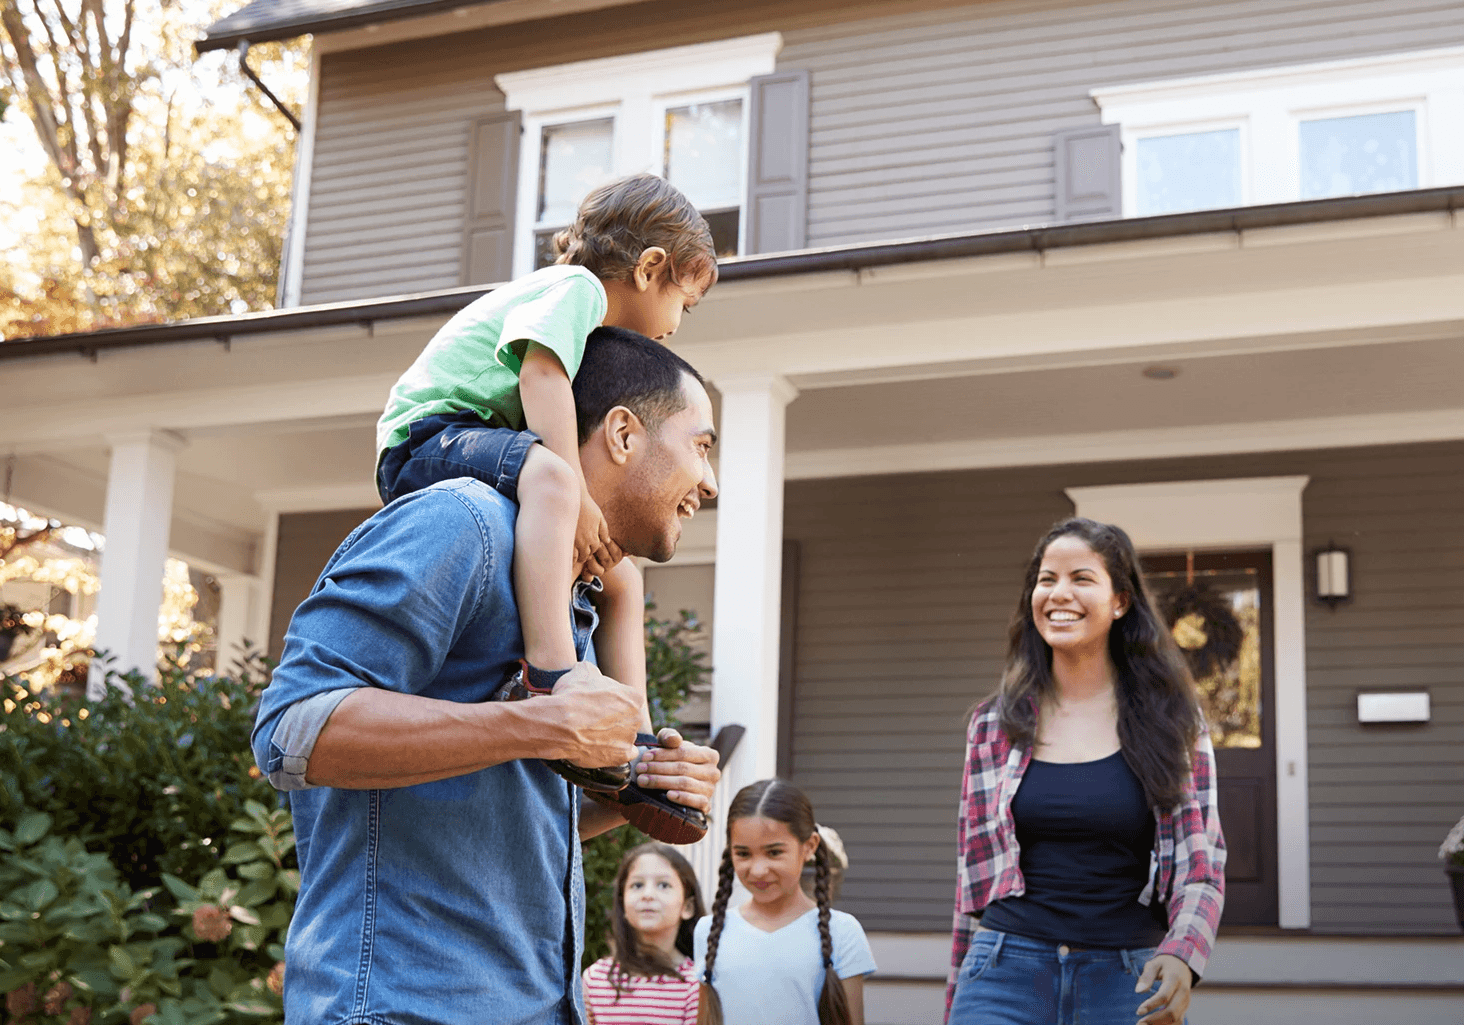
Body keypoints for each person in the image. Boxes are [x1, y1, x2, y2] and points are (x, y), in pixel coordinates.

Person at [252, 327, 722, 1025]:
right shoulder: (459, 524)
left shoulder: (573, 610)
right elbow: (291, 730)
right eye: (701, 445)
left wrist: (634, 793)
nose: (710, 482)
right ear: (623, 434)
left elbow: (513, 800)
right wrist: (540, 722)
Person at [376, 173, 717, 719]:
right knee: (553, 478)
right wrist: (577, 494)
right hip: (428, 434)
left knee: (621, 575)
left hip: (473, 437)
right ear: (650, 268)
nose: (676, 325)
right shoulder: (576, 290)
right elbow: (540, 377)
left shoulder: (575, 310)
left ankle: (637, 732)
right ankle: (553, 672)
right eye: (685, 302)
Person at [946, 518, 1226, 1025]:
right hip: (1004, 973)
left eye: (1081, 578)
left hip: (1126, 979)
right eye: (1046, 579)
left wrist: (1183, 952)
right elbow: (972, 884)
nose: (1059, 593)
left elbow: (1200, 863)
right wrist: (957, 993)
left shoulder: (1173, 722)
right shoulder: (992, 725)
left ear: (1119, 601)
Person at [695, 779, 877, 1025]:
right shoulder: (708, 930)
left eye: (774, 852)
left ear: (809, 846)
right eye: (743, 853)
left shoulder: (843, 932)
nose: (758, 870)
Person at [583, 842, 705, 1025]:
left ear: (687, 907)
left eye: (663, 885)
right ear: (622, 903)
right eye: (637, 885)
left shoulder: (695, 985)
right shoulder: (594, 980)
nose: (647, 895)